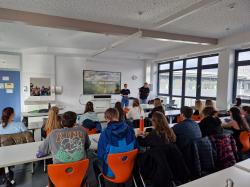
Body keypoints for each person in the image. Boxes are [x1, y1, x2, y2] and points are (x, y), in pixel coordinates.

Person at [97, 108, 137, 178]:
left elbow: (100, 155)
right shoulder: (130, 129)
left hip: (111, 172)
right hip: (128, 168)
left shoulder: (105, 133)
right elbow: (136, 148)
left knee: (96, 162)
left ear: (107, 118)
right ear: (117, 116)